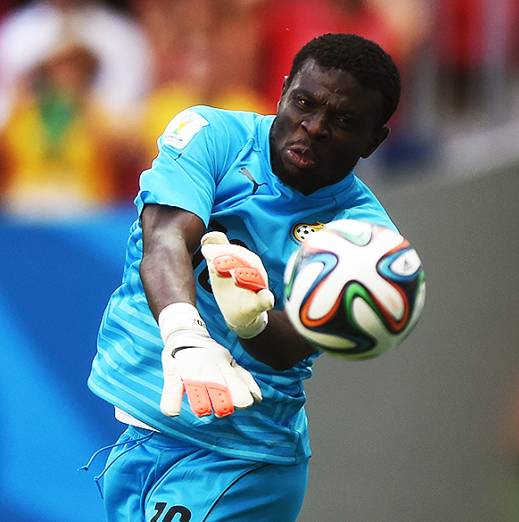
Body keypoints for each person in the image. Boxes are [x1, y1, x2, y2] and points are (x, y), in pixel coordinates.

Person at [85, 33, 401, 520]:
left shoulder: (365, 239)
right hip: (143, 429)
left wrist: (252, 321)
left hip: (240, 456)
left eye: (343, 121)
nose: (314, 128)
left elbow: (293, 345)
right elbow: (166, 238)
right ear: (282, 90)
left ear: (374, 140)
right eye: (305, 103)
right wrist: (186, 336)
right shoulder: (211, 135)